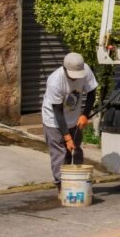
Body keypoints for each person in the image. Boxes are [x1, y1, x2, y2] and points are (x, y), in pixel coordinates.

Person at [42, 52, 98, 192]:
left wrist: (85, 115)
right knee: (60, 153)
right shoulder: (55, 81)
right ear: (64, 68)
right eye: (72, 75)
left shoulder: (85, 70)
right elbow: (58, 112)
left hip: (74, 118)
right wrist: (67, 138)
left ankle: (79, 181)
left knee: (75, 149)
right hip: (54, 120)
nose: (75, 78)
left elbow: (92, 92)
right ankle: (62, 186)